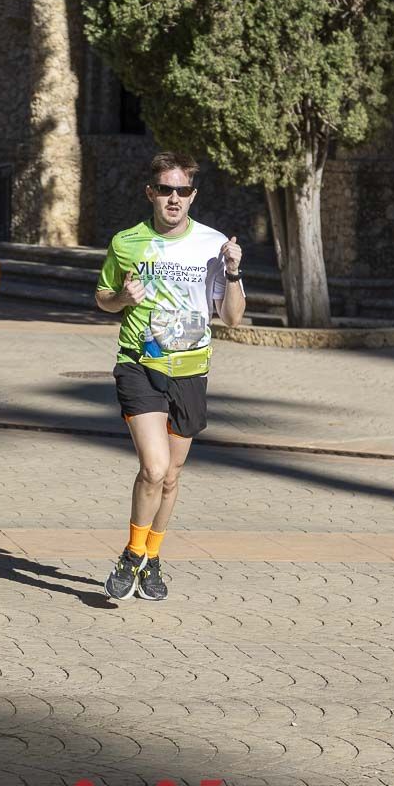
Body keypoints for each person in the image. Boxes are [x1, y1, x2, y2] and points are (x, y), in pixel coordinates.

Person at [95, 151, 245, 602]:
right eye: (165, 189)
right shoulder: (126, 243)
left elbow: (233, 318)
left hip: (191, 369)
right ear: (151, 193)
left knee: (172, 476)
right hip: (140, 363)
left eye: (182, 191)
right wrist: (122, 297)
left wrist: (235, 272)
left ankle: (152, 559)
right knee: (154, 467)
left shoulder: (213, 245)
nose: (173, 198)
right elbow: (102, 297)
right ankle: (131, 555)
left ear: (192, 196)